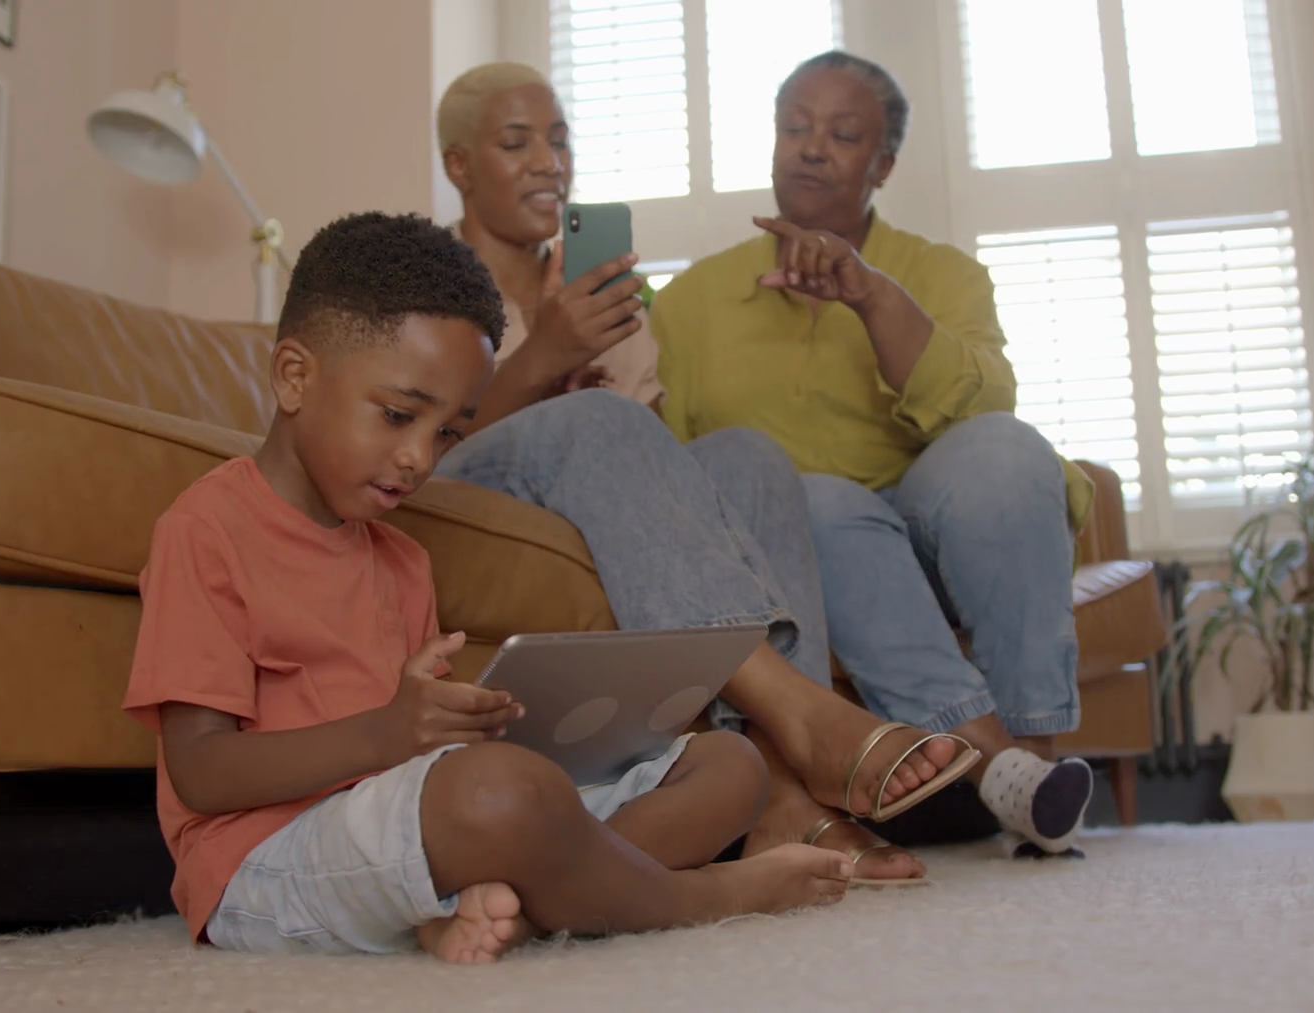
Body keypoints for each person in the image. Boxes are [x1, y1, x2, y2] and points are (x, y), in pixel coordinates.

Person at [122, 212, 857, 964]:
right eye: (398, 415)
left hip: (414, 825)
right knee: (497, 793)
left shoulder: (402, 559)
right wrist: (389, 733)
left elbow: (416, 769)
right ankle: (703, 897)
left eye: (447, 433)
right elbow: (201, 773)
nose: (418, 458)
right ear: (294, 377)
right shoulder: (206, 528)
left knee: (729, 765)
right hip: (263, 859)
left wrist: (462, 725)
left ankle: (529, 906)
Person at [432, 62, 984, 883]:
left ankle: (779, 792)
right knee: (596, 418)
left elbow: (658, 469)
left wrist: (588, 383)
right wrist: (543, 357)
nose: (548, 162)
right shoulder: (424, 278)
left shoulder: (610, 297)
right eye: (517, 144)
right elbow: (413, 445)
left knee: (746, 456)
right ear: (459, 165)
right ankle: (803, 721)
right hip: (466, 495)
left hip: (579, 498)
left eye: (559, 141)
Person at [649, 52, 1099, 854]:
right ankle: (1009, 773)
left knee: (1006, 450)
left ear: (883, 164)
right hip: (796, 548)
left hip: (933, 542)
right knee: (812, 498)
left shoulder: (943, 274)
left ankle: (1036, 748)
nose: (812, 148)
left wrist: (872, 296)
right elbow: (678, 469)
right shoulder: (690, 302)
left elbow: (984, 409)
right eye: (795, 127)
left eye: (843, 134)